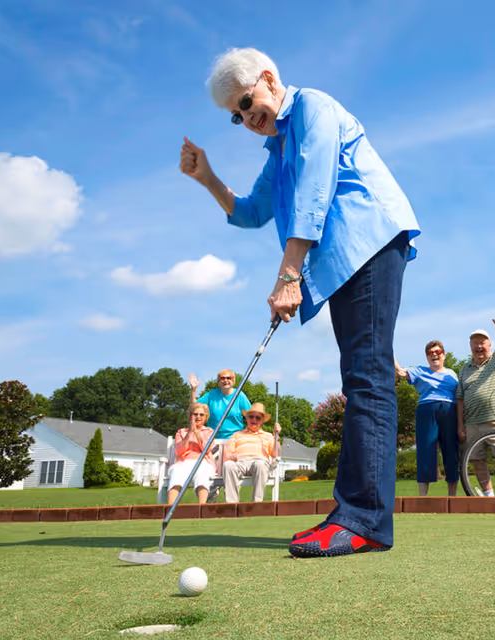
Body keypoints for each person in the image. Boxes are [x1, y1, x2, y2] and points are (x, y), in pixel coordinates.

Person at [180, 48, 419, 558]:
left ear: (267, 79)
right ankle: (351, 515)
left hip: (369, 243)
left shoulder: (313, 108)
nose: (247, 118)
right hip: (343, 262)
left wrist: (289, 275)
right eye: (236, 115)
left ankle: (365, 521)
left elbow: (316, 189)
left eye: (247, 102)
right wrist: (207, 178)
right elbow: (251, 212)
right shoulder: (277, 150)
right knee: (358, 379)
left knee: (368, 378)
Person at [395, 341, 459, 497]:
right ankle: (422, 498)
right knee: (425, 451)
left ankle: (452, 497)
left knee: (451, 451)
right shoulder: (419, 371)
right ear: (427, 357)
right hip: (426, 410)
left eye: (437, 352)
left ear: (443, 355)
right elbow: (400, 372)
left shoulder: (452, 374)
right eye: (430, 353)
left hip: (449, 410)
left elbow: (460, 396)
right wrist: (389, 351)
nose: (434, 355)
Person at [456, 328, 495, 497]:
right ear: (470, 346)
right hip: (473, 423)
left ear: (490, 345)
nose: (479, 346)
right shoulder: (464, 369)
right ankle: (489, 498)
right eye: (475, 343)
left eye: (482, 342)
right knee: (476, 460)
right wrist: (460, 425)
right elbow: (459, 399)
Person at [223, 402, 281, 503]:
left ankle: (256, 504)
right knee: (228, 465)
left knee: (260, 464)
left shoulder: (267, 436)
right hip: (240, 462)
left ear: (262, 420)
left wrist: (277, 437)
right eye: (251, 417)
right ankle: (232, 505)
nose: (254, 420)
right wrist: (231, 456)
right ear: (247, 418)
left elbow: (275, 455)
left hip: (259, 462)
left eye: (257, 418)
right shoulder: (237, 435)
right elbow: (228, 453)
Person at [166, 403, 216, 505]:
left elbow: (206, 450)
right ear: (190, 416)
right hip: (183, 462)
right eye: (195, 414)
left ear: (206, 417)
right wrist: (189, 433)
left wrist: (197, 433)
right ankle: (170, 508)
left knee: (202, 474)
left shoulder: (209, 431)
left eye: (201, 415)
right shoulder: (181, 432)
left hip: (203, 462)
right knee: (176, 472)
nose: (198, 417)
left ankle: (201, 508)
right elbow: (179, 451)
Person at [188, 369, 252, 440]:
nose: (225, 380)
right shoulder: (211, 395)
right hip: (213, 439)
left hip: (236, 439)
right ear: (218, 382)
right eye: (222, 378)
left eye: (228, 378)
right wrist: (193, 389)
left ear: (233, 381)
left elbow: (251, 416)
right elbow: (194, 407)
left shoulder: (240, 395)